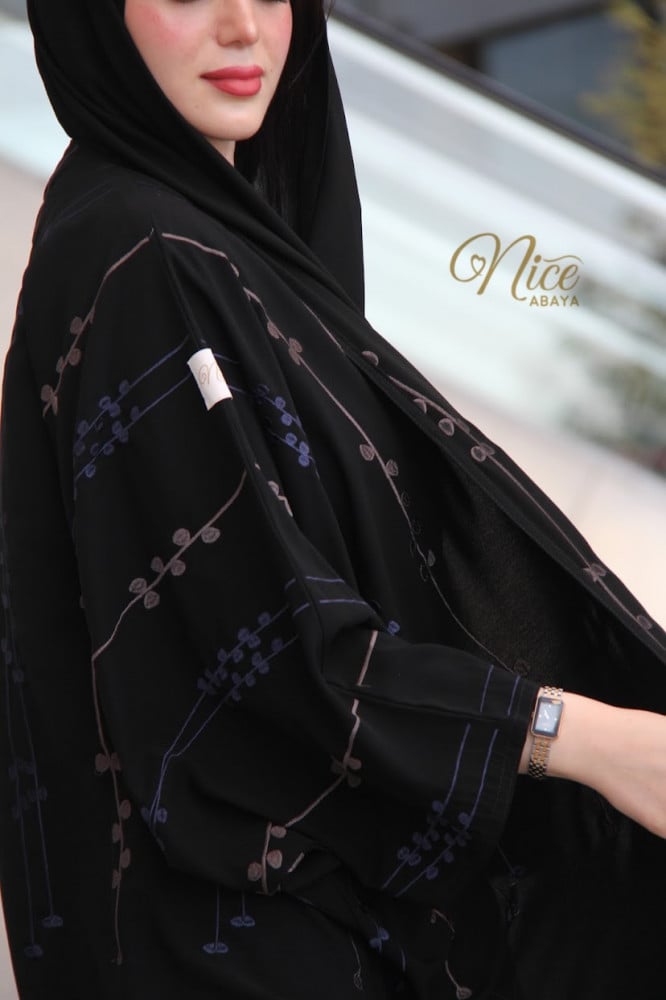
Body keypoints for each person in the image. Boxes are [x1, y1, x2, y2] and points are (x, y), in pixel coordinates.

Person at [1, 1, 665, 998]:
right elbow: (265, 652)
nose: (242, 26)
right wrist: (594, 742)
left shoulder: (166, 232)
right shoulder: (147, 254)